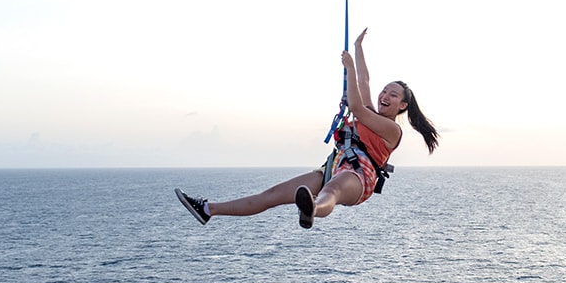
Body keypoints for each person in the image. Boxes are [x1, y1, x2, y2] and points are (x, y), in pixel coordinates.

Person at [173, 28, 440, 229]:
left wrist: (348, 67)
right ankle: (208, 209)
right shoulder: (372, 110)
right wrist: (358, 47)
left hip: (360, 175)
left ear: (402, 105)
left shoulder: (392, 131)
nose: (385, 95)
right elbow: (364, 80)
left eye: (393, 95)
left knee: (331, 192)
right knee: (272, 195)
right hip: (334, 166)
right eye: (385, 90)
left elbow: (357, 108)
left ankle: (311, 209)